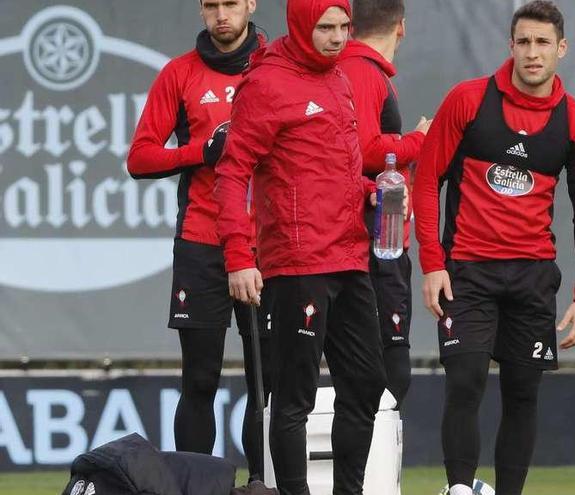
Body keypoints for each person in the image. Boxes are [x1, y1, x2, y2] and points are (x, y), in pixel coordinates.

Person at [413, 1, 575, 494]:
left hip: (533, 277)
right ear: (510, 46)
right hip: (468, 272)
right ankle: (458, 489)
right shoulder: (468, 100)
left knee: (523, 394)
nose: (532, 53)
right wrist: (433, 263)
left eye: (543, 43)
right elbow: (427, 180)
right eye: (524, 42)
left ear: (561, 49)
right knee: (465, 380)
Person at [213, 1, 387, 494]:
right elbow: (230, 174)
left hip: (349, 256)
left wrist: (374, 193)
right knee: (294, 398)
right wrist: (239, 257)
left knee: (367, 383)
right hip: (296, 263)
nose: (336, 38)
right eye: (325, 28)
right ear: (300, 25)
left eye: (343, 27)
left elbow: (336, 168)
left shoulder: (339, 79)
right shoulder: (266, 84)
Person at [127, 0, 272, 490]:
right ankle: (193, 486)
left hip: (266, 245)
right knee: (200, 380)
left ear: (251, 4)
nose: (221, 15)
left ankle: (262, 483)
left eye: (231, 3)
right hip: (201, 243)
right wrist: (201, 151)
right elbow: (140, 157)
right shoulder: (179, 73)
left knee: (265, 383)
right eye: (211, 5)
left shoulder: (277, 66)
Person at [338, 0, 431, 410]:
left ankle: (371, 471)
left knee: (385, 367)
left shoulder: (365, 70)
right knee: (388, 369)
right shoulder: (361, 70)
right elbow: (360, 150)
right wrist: (417, 140)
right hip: (374, 240)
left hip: (380, 236)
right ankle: (367, 473)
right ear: (402, 27)